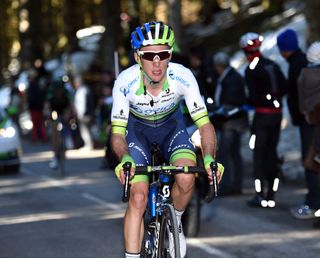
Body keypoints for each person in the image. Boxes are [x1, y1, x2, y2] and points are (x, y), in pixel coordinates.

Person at [111, 21, 223, 258]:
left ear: (170, 55)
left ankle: (176, 223)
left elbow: (205, 125)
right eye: (149, 55)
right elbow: (118, 134)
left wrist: (211, 156)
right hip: (137, 133)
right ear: (137, 57)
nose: (157, 62)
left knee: (186, 177)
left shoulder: (183, 76)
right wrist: (124, 158)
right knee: (138, 196)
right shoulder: (124, 82)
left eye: (163, 54)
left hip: (172, 130)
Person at [277, 28, 320, 219]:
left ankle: (313, 202)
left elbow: (297, 98)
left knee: (310, 160)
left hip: (310, 122)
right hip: (311, 121)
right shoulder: (301, 64)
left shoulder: (300, 69)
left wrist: (299, 116)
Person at [240, 32, 287, 208]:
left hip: (262, 117)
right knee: (272, 152)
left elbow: (251, 97)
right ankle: (271, 195)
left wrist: (248, 103)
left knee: (259, 155)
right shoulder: (273, 65)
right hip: (277, 115)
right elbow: (284, 86)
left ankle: (260, 196)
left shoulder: (251, 69)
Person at [212, 51, 249, 195]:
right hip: (232, 121)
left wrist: (218, 111)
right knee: (233, 154)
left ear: (218, 66)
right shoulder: (229, 76)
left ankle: (229, 186)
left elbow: (232, 101)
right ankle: (234, 185)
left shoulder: (231, 78)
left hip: (232, 122)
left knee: (226, 155)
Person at [73, 75, 95, 151]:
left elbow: (82, 104)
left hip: (84, 114)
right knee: (86, 130)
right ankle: (89, 144)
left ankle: (88, 145)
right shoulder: (86, 89)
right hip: (87, 113)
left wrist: (80, 114)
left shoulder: (81, 91)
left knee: (85, 130)